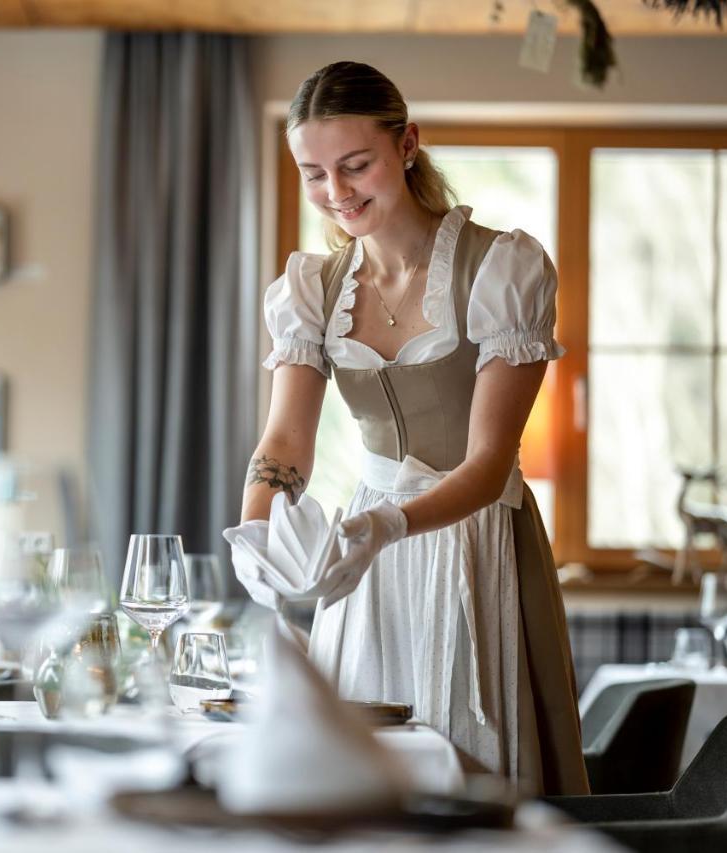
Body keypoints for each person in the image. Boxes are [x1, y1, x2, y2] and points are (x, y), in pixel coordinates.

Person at [228, 61, 589, 796]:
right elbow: (286, 442)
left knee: (474, 770)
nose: (337, 193)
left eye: (355, 165)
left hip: (477, 540)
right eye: (315, 174)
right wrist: (255, 532)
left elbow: (490, 463)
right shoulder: (312, 290)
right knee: (358, 777)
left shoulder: (502, 270)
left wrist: (387, 526)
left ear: (408, 144)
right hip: (366, 562)